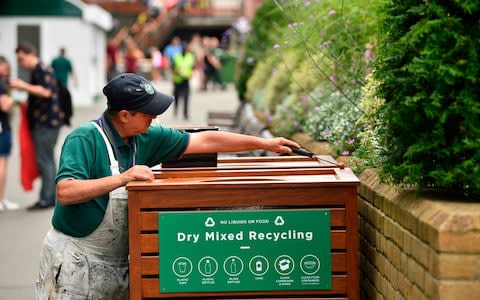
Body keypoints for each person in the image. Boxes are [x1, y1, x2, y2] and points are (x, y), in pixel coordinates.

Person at [34, 73, 300, 299]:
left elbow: (205, 141)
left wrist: (265, 143)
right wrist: (123, 178)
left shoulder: (145, 136)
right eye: (148, 111)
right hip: (74, 261)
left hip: (117, 264)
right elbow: (66, 192)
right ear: (125, 115)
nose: (155, 115)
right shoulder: (84, 139)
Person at [10, 42, 64, 210]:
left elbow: (46, 92)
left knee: (44, 161)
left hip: (46, 123)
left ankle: (46, 198)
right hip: (46, 122)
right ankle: (50, 196)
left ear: (31, 54)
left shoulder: (42, 70)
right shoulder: (39, 70)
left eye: (21, 59)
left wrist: (23, 86)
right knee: (47, 160)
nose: (21, 63)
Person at [0, 56, 19, 211]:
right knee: (2, 165)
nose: (6, 69)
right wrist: (14, 101)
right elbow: (5, 105)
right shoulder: (1, 84)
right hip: (2, 129)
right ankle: (0, 200)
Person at [171, 43, 195, 119]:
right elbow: (172, 67)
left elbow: (192, 67)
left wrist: (191, 74)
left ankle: (185, 114)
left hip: (186, 79)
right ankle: (175, 112)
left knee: (186, 97)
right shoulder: (176, 56)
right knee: (176, 97)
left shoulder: (190, 56)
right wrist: (177, 72)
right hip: (177, 80)